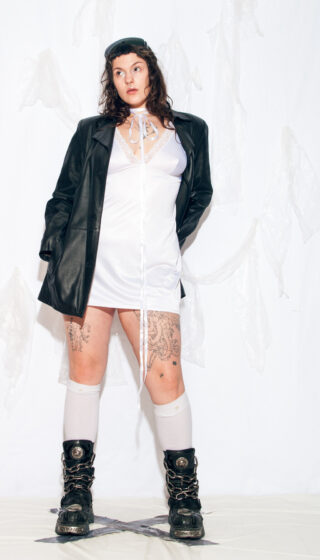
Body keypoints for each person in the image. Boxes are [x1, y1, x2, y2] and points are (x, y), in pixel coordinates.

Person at [38, 37, 213, 540]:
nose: (129, 79)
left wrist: (167, 242)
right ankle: (76, 496)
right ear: (110, 80)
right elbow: (64, 195)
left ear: (151, 71)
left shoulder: (190, 131)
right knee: (84, 378)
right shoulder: (92, 132)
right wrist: (59, 253)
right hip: (92, 271)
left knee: (166, 380)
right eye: (118, 72)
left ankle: (185, 499)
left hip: (153, 274)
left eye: (136, 68)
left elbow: (200, 193)